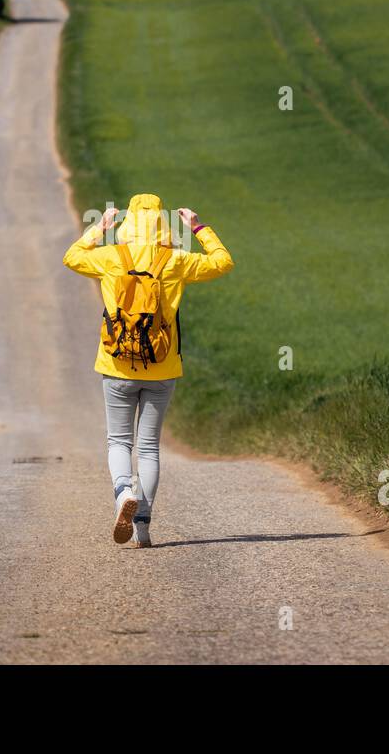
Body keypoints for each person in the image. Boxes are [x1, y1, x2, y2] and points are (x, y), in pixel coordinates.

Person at [62, 193, 234, 548]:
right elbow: (223, 262)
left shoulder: (111, 257)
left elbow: (71, 258)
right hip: (162, 366)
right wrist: (199, 227)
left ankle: (124, 491)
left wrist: (98, 230)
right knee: (150, 448)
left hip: (116, 364)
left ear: (128, 225)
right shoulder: (175, 259)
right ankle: (143, 525)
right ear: (162, 224)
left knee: (118, 441)